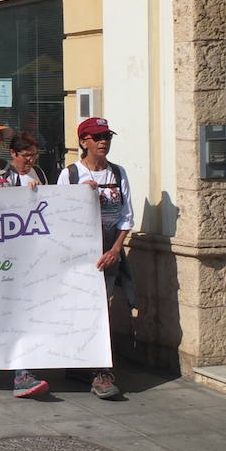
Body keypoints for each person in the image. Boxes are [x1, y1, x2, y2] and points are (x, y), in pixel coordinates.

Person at [56, 116, 132, 400]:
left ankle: (97, 368)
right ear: (83, 142)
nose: (103, 142)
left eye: (106, 137)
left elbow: (126, 217)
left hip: (109, 253)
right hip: (79, 255)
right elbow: (60, 215)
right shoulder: (71, 174)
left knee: (104, 310)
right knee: (82, 310)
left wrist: (115, 250)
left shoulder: (118, 173)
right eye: (97, 137)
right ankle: (87, 366)